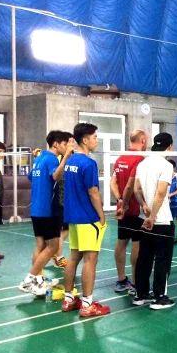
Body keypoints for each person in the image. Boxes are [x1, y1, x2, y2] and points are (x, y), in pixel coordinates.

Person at [61, 123, 109, 317]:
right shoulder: (89, 164)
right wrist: (101, 215)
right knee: (90, 259)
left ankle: (69, 299)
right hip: (88, 218)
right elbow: (93, 192)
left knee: (73, 257)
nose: (96, 140)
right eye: (94, 137)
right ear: (85, 140)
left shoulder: (70, 161)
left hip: (73, 217)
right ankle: (87, 304)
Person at [19, 131, 72, 295]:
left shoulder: (39, 158)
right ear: (56, 144)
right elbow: (56, 176)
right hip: (48, 210)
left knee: (41, 246)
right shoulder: (51, 159)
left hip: (36, 209)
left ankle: (38, 281)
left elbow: (30, 177)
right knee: (53, 246)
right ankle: (28, 280)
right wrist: (66, 157)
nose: (67, 147)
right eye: (65, 144)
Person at [133, 133, 176, 310]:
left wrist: (144, 205)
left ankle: (141, 294)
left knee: (144, 258)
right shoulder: (166, 165)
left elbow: (136, 189)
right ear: (169, 147)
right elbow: (160, 192)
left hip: (144, 220)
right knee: (162, 260)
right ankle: (160, 297)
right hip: (161, 220)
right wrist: (152, 217)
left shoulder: (142, 164)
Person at [111, 129, 147, 294]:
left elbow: (113, 182)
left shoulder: (120, 159)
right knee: (136, 244)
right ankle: (136, 282)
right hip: (135, 209)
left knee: (121, 242)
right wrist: (125, 203)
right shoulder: (140, 159)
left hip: (122, 209)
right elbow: (131, 186)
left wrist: (119, 200)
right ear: (143, 140)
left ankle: (121, 280)